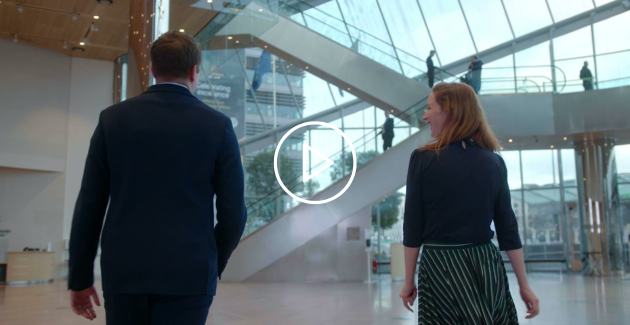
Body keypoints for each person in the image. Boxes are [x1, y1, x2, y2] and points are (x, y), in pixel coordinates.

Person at [68, 31, 247, 325]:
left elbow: (90, 204)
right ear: (194, 71)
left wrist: (79, 277)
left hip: (124, 272)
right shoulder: (217, 126)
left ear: (153, 69)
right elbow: (234, 215)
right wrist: (211, 262)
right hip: (189, 273)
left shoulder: (112, 120)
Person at [399, 83, 539, 324]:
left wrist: (408, 280)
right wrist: (524, 285)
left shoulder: (423, 159)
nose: (424, 116)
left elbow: (413, 226)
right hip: (485, 263)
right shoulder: (494, 162)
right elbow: (507, 227)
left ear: (450, 112)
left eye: (430, 108)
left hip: (441, 263)